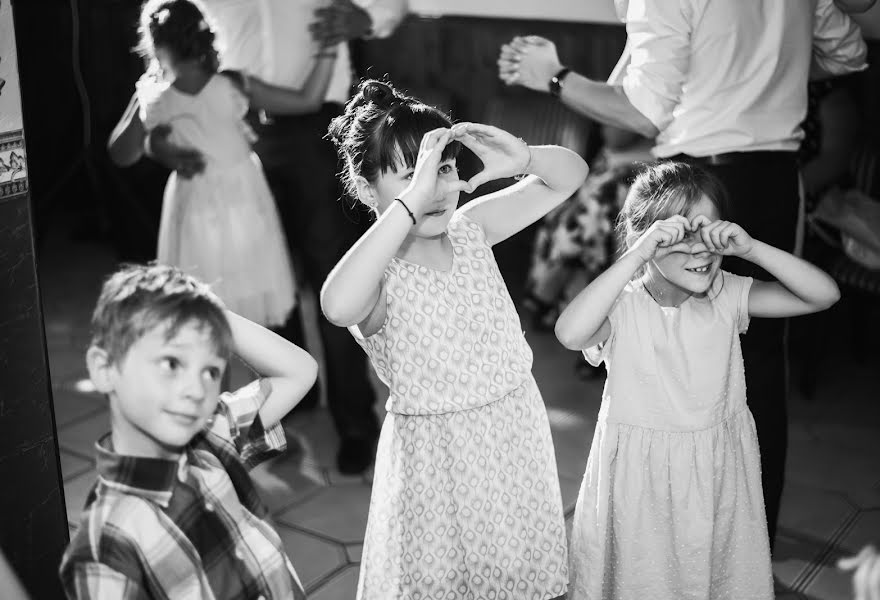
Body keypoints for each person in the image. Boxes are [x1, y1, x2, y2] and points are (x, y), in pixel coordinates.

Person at [498, 0, 867, 547]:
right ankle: (742, 533)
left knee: (699, 337)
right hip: (772, 175)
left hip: (694, 181)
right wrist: (758, 77)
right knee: (758, 362)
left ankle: (710, 527)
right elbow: (848, 52)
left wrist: (552, 76)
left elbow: (640, 117)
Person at [321, 80, 588, 599]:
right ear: (364, 187)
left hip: (513, 443)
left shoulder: (472, 228)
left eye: (443, 169)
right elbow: (336, 306)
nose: (437, 189)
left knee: (521, 578)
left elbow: (569, 176)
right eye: (414, 177)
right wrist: (410, 204)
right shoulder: (376, 274)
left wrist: (525, 157)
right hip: (439, 472)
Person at [554, 162, 841, 599]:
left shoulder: (727, 293)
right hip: (641, 480)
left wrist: (753, 249)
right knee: (645, 574)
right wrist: (635, 254)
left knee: (713, 569)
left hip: (716, 467)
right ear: (646, 239)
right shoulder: (622, 309)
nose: (700, 251)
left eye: (706, 232)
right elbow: (570, 332)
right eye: (679, 236)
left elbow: (824, 294)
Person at [167, 0, 409, 474]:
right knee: (265, 275)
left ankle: (355, 421)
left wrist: (367, 19)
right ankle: (291, 398)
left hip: (320, 124)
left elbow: (392, 7)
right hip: (234, 130)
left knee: (334, 276)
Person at [58, 263, 318, 598]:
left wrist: (210, 313)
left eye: (210, 370)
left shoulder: (211, 436)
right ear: (105, 368)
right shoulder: (106, 551)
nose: (196, 390)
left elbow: (299, 372)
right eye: (172, 363)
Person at [108, 0, 337, 334]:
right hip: (245, 204)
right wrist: (329, 47)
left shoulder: (156, 97)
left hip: (194, 211)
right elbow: (307, 100)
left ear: (155, 46)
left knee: (203, 316)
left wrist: (144, 101)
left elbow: (120, 154)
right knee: (249, 306)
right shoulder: (232, 86)